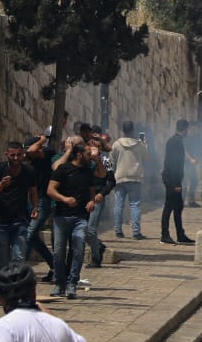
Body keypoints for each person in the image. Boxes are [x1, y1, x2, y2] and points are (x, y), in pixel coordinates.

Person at [47, 138, 102, 299]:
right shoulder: (63, 169)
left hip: (80, 218)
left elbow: (97, 181)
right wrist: (64, 199)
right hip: (61, 217)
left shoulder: (88, 171)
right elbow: (50, 190)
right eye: (87, 153)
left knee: (78, 250)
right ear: (78, 154)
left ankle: (72, 283)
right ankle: (59, 283)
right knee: (58, 252)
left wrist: (91, 201)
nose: (89, 155)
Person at [0, 142, 38, 278]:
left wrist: (35, 207)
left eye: (19, 155)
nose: (16, 158)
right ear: (6, 155)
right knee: (2, 261)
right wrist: (1, 185)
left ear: (23, 155)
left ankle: (16, 289)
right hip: (1, 222)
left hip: (20, 221)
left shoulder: (29, 171)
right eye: (12, 155)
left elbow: (33, 191)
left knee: (19, 258)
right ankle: (2, 291)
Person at [25, 128, 57, 283]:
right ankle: (54, 265)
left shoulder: (47, 155)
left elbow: (32, 150)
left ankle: (54, 265)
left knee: (30, 234)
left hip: (44, 200)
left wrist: (43, 138)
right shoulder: (33, 162)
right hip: (33, 200)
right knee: (30, 236)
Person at [110, 121, 150, 240]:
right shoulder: (140, 144)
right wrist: (145, 144)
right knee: (135, 205)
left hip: (120, 177)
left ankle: (118, 231)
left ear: (123, 130)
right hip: (135, 177)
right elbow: (147, 158)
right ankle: (136, 232)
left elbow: (112, 161)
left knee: (118, 205)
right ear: (133, 130)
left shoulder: (116, 144)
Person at [160, 119, 197, 246]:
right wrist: (176, 184)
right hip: (172, 180)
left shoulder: (175, 140)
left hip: (173, 179)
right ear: (185, 129)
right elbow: (174, 164)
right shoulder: (176, 142)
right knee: (169, 207)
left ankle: (180, 234)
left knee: (178, 207)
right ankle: (164, 235)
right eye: (188, 129)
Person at [84, 135, 115, 268]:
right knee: (83, 229)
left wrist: (102, 193)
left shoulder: (105, 160)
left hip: (97, 198)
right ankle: (99, 246)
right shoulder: (84, 159)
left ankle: (96, 258)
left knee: (91, 229)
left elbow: (111, 181)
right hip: (84, 198)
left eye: (95, 144)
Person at [184, 119, 202, 208]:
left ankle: (191, 200)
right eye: (197, 128)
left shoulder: (196, 138)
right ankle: (182, 200)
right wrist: (191, 159)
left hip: (191, 163)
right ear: (192, 128)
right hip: (184, 163)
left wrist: (197, 158)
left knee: (194, 180)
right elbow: (184, 150)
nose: (198, 130)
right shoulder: (185, 137)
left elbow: (197, 150)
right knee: (184, 182)